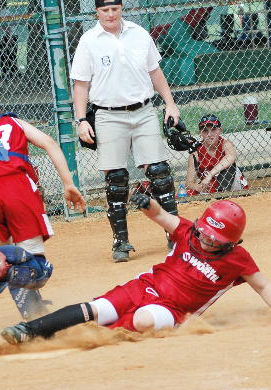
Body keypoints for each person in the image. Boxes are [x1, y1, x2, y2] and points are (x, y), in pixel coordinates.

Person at [0, 196, 271, 344]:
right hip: (145, 286)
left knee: (143, 321)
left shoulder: (238, 259)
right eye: (205, 234)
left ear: (231, 242)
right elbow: (160, 214)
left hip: (174, 310)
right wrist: (148, 205)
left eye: (215, 240)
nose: (207, 241)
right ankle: (31, 330)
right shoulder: (187, 231)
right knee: (98, 308)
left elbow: (262, 285)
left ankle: (85, 336)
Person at [0, 73, 86, 320]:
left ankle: (33, 316)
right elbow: (50, 144)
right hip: (17, 189)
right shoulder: (14, 123)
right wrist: (68, 183)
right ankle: (7, 271)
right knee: (36, 268)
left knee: (10, 258)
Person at [73, 0, 181, 262]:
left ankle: (175, 235)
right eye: (105, 10)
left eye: (115, 9)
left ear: (121, 8)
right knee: (116, 179)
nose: (110, 14)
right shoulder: (89, 41)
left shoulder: (139, 33)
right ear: (97, 12)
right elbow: (81, 85)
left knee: (160, 174)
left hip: (143, 110)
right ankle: (120, 241)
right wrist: (81, 120)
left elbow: (155, 72)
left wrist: (170, 103)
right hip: (108, 114)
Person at [185, 114, 249, 195]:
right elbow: (188, 183)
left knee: (230, 167)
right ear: (200, 133)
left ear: (220, 130)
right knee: (188, 194)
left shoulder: (226, 144)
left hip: (231, 184)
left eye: (213, 129)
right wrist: (198, 187)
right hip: (209, 188)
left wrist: (209, 175)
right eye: (205, 131)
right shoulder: (196, 153)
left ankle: (223, 194)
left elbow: (230, 158)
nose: (209, 134)